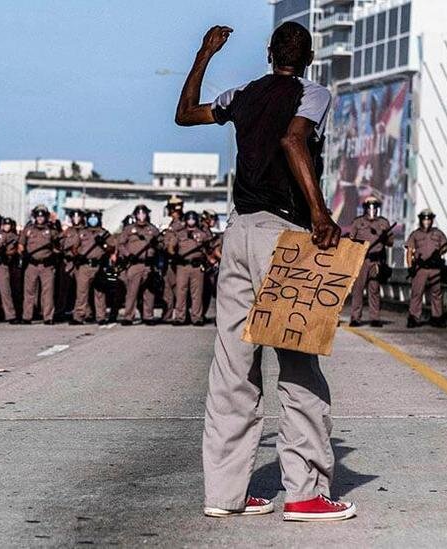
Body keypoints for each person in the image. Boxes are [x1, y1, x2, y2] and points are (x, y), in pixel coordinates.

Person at [176, 22, 353, 520]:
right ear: (310, 56)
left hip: (239, 230)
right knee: (297, 363)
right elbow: (295, 140)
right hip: (284, 235)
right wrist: (320, 212)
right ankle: (304, 493)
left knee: (233, 366)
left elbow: (185, 114)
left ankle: (225, 495)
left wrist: (204, 53)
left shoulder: (243, 94)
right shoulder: (311, 92)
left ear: (269, 53)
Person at [348, 197, 393, 327]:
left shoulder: (383, 223)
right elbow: (351, 241)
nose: (371, 209)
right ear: (365, 207)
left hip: (376, 261)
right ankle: (355, 318)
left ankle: (375, 318)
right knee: (358, 289)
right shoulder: (358, 222)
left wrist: (385, 237)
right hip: (361, 260)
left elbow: (390, 243)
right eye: (369, 206)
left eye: (374, 206)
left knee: (374, 289)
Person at [67, 210, 116, 325]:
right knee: (81, 293)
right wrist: (77, 256)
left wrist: (103, 244)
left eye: (95, 218)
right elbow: (74, 247)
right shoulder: (82, 232)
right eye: (90, 218)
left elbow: (112, 248)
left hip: (98, 266)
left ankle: (101, 317)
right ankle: (79, 316)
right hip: (84, 266)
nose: (92, 220)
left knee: (99, 293)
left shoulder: (104, 233)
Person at [165, 210, 211, 326]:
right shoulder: (180, 233)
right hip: (182, 266)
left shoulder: (202, 234)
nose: (191, 221)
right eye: (189, 219)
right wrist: (174, 255)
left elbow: (208, 247)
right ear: (185, 220)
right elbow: (171, 246)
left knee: (197, 293)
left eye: (193, 219)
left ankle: (197, 317)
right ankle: (180, 317)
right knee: (181, 292)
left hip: (197, 267)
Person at [117, 204, 160, 326]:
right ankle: (128, 316)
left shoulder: (153, 229)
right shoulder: (129, 229)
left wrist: (156, 244)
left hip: (148, 264)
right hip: (134, 264)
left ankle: (148, 316)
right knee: (132, 291)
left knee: (149, 293)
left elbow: (161, 245)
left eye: (143, 213)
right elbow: (121, 244)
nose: (141, 216)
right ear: (135, 215)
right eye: (139, 213)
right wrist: (127, 254)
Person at [406, 209, 447, 328]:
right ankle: (413, 318)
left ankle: (437, 317)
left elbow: (445, 247)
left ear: (432, 220)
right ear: (421, 220)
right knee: (417, 293)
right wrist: (410, 267)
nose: (426, 221)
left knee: (436, 293)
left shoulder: (438, 233)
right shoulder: (415, 234)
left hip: (435, 268)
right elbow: (409, 251)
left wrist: (439, 252)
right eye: (424, 219)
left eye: (429, 219)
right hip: (420, 269)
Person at [19, 205, 60, 325]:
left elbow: (58, 247)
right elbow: (21, 245)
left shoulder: (52, 231)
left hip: (47, 265)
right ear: (35, 217)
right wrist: (24, 254)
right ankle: (27, 316)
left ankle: (48, 317)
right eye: (38, 216)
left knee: (48, 292)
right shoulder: (28, 229)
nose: (40, 218)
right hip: (31, 264)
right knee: (29, 291)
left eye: (42, 216)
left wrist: (54, 253)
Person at [161, 195, 185, 323]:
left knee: (178, 288)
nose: (171, 212)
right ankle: (168, 314)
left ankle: (182, 315)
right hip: (168, 262)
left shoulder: (182, 224)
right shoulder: (171, 224)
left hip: (177, 261)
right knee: (167, 289)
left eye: (173, 209)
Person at [201, 210, 222, 319]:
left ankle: (201, 314)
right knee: (204, 292)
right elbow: (201, 248)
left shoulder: (208, 231)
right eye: (212, 218)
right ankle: (200, 315)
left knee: (208, 292)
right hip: (203, 265)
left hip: (209, 266)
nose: (214, 221)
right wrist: (209, 258)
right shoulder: (202, 231)